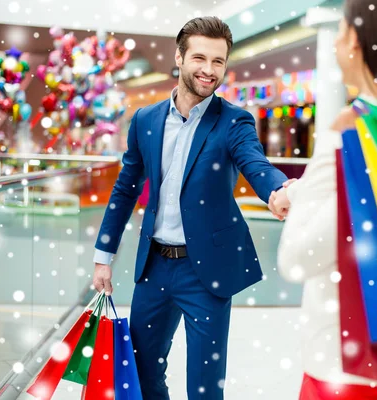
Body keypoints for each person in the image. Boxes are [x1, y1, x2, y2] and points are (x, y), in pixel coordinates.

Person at [92, 16, 291, 400]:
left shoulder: (234, 121)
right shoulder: (146, 120)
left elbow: (255, 163)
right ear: (179, 58)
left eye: (219, 61)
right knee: (143, 372)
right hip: (154, 268)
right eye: (200, 58)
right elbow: (125, 189)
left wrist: (277, 190)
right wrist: (104, 255)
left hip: (208, 273)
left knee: (204, 388)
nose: (209, 70)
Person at [273, 0, 377, 398]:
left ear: (352, 38)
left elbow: (297, 258)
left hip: (343, 368)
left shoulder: (351, 135)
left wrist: (318, 175)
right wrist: (300, 191)